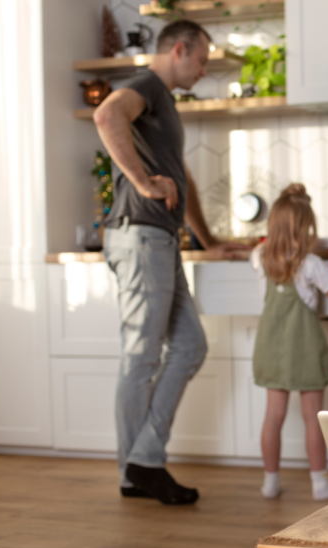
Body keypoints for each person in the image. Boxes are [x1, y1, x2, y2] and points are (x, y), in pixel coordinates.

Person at [95, 20, 249, 505]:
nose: (203, 70)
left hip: (160, 240)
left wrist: (209, 239)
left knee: (188, 346)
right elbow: (106, 116)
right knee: (140, 357)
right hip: (140, 238)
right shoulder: (148, 86)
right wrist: (143, 184)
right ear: (178, 49)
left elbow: (183, 179)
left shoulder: (165, 104)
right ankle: (136, 469)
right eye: (202, 60)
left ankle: (142, 460)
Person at [250, 184, 328, 501]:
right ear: (306, 225)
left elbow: (264, 250)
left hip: (271, 348)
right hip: (304, 348)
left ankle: (270, 481)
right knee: (312, 417)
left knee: (273, 416)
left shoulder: (260, 256)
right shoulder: (309, 263)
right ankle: (319, 483)